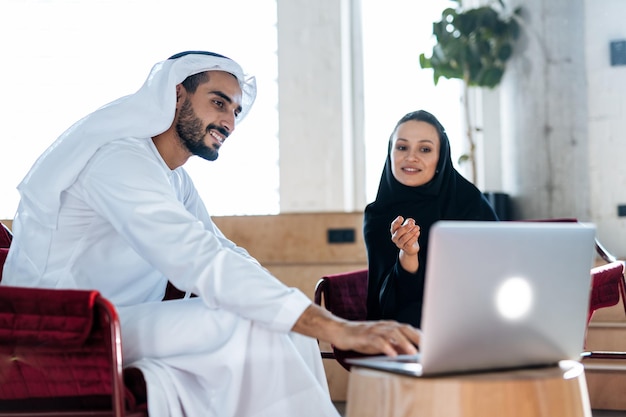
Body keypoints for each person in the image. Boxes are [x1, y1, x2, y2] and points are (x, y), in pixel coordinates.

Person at [1, 51, 421, 417]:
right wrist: (337, 328)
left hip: (118, 320)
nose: (228, 121)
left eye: (235, 111)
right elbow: (197, 258)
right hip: (58, 327)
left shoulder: (172, 178)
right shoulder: (117, 161)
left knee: (287, 326)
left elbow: (224, 251)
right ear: (176, 95)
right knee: (246, 326)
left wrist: (297, 312)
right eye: (218, 103)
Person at [364, 110, 498, 328]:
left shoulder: (468, 202)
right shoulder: (379, 214)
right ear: (390, 152)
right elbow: (388, 305)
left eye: (425, 149)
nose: (410, 157)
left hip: (474, 313)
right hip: (411, 324)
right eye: (402, 147)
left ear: (441, 157)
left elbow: (496, 269)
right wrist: (408, 254)